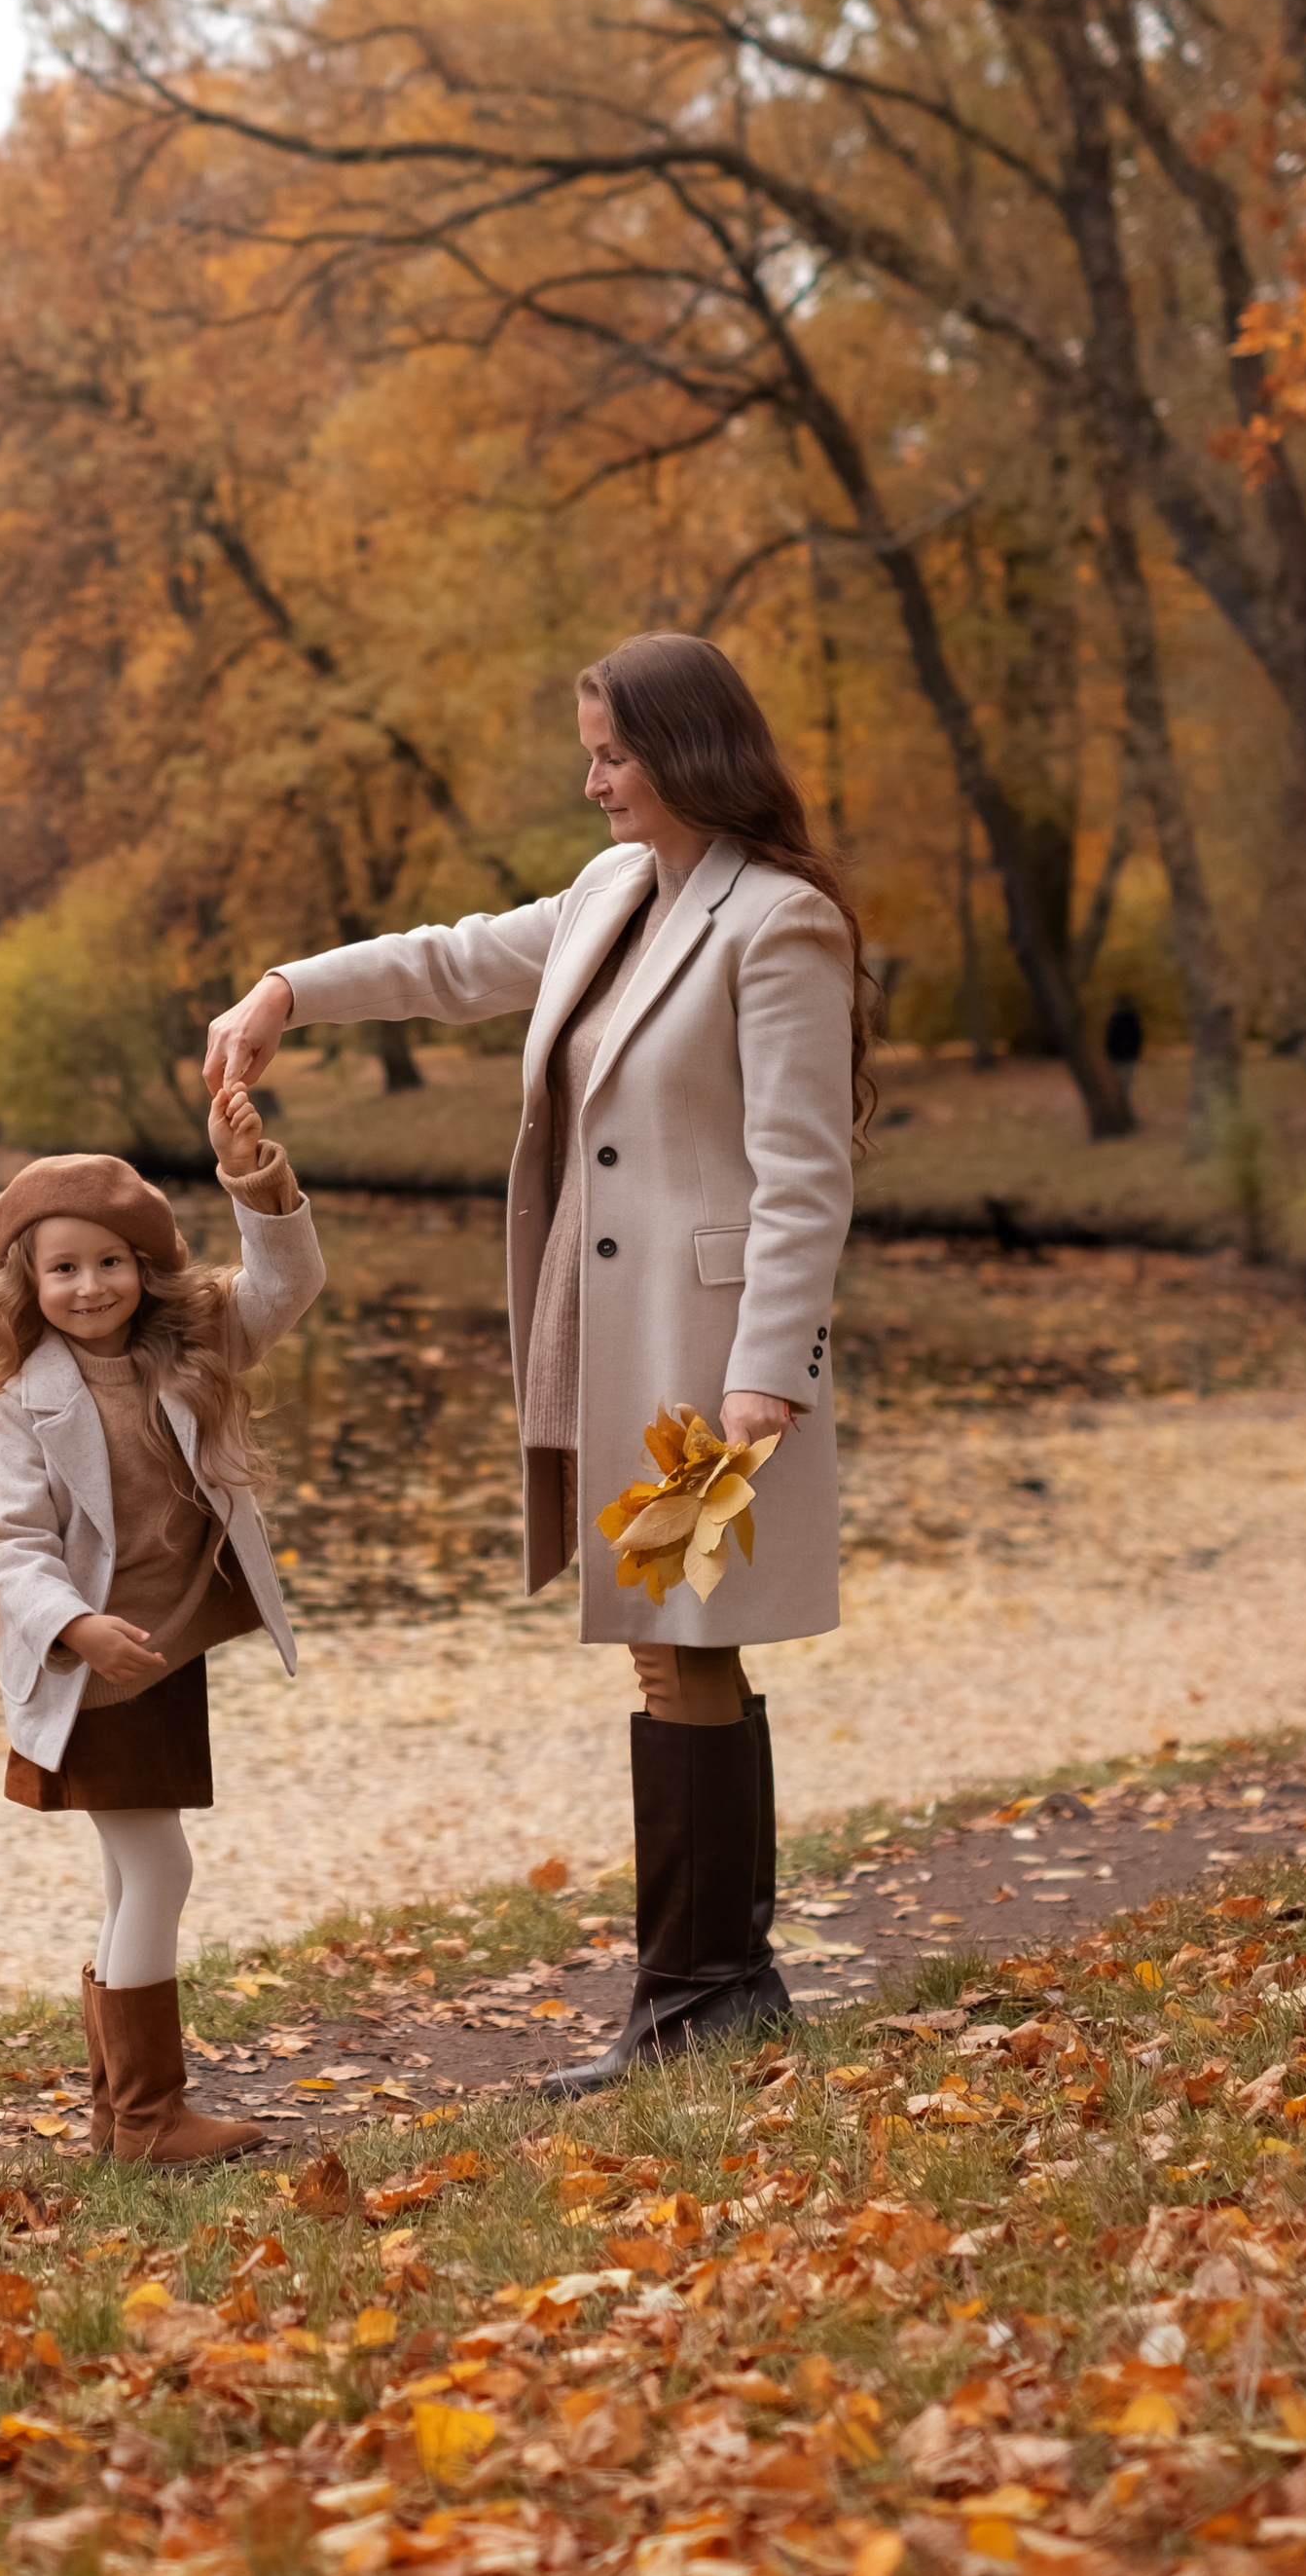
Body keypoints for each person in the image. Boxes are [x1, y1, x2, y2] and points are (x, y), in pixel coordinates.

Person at [203, 632, 868, 2095]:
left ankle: (701, 1992)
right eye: (592, 752)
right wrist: (284, 993)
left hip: (708, 1352)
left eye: (614, 755)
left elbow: (805, 1172)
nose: (594, 781)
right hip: (603, 1329)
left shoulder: (781, 926)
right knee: (668, 1636)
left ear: (687, 754)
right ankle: (717, 1988)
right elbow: (448, 962)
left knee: (681, 1635)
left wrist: (771, 1370)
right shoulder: (614, 892)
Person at [0, 1087, 324, 2163]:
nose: (89, 1286)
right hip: (95, 1672)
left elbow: (289, 1283)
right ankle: (148, 2116)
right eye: (62, 1269)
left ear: (143, 1266)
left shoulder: (188, 1347)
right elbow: (11, 1546)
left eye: (110, 1261)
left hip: (161, 1659)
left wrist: (253, 1178)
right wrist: (75, 1627)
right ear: (27, 1283)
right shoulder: (26, 1398)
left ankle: (122, 2112)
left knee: (130, 1875)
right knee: (159, 1873)